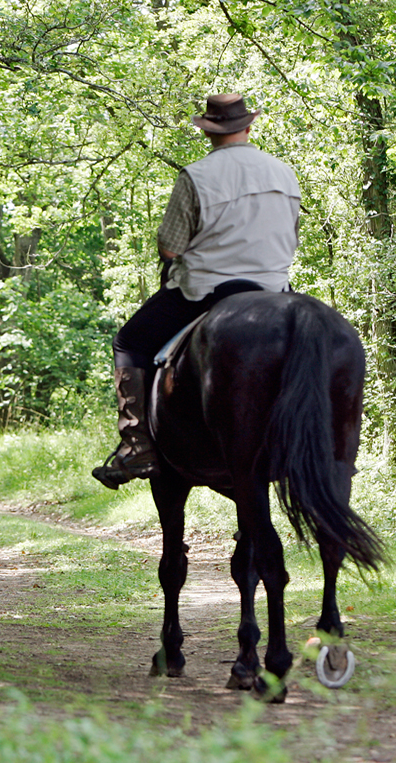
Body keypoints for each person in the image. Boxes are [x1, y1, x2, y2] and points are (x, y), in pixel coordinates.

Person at [92, 93, 301, 490]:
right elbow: (291, 236)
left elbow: (170, 248)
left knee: (129, 341)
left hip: (206, 290)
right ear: (248, 127)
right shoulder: (283, 172)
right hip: (273, 290)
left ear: (208, 132)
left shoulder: (196, 176)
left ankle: (136, 445)